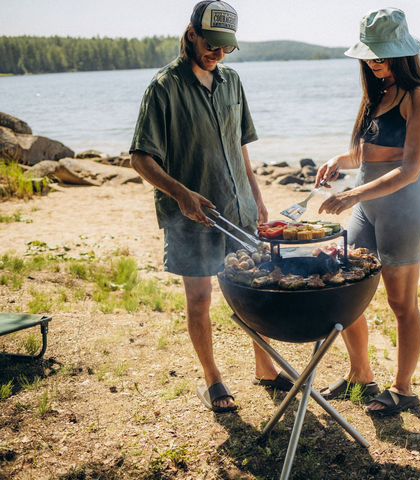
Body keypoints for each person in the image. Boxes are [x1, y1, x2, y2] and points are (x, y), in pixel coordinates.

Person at [129, 0, 292, 413]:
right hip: (192, 219)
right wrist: (182, 194)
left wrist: (256, 196)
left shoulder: (233, 83)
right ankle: (213, 379)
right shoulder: (163, 88)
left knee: (252, 293)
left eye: (226, 47)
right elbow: (141, 158)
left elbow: (240, 149)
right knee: (200, 300)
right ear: (191, 34)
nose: (218, 54)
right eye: (211, 44)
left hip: (238, 211)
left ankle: (266, 369)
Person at [316, 7, 420, 416]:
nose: (373, 63)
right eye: (369, 56)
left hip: (402, 210)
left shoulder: (417, 96)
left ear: (402, 54)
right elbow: (371, 154)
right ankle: (361, 375)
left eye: (381, 56)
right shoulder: (378, 93)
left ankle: (403, 389)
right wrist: (339, 160)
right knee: (345, 292)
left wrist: (351, 196)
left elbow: (409, 169)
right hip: (368, 208)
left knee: (401, 304)